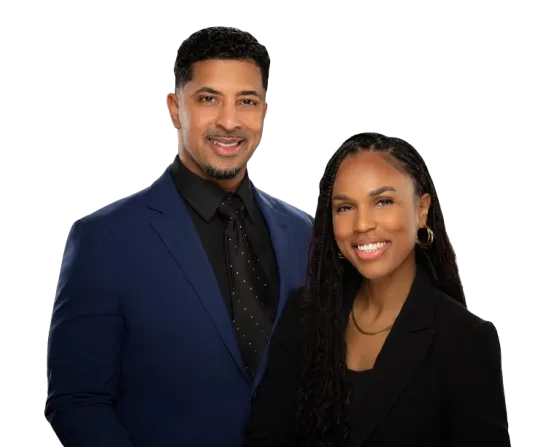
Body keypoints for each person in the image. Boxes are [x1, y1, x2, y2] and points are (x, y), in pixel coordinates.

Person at [45, 26, 312, 447]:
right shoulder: (105, 241)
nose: (229, 121)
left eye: (246, 101)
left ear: (264, 111)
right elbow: (78, 402)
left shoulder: (303, 234)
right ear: (175, 108)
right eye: (208, 99)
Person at [243, 132, 510, 446]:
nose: (362, 225)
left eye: (383, 202)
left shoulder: (466, 341)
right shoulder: (303, 314)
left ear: (422, 210)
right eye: (345, 207)